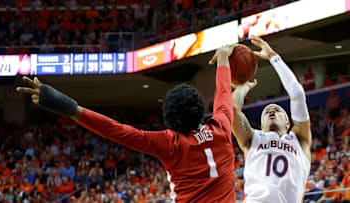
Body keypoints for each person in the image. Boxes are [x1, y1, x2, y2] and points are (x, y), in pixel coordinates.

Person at [16, 45, 237, 202]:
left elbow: (115, 130)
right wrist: (224, 59)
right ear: (199, 108)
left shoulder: (170, 142)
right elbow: (224, 95)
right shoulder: (221, 127)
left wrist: (69, 108)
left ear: (170, 116)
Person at [231, 36, 311, 203]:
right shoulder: (252, 138)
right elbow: (231, 110)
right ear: (261, 125)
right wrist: (242, 88)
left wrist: (274, 57)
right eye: (267, 111)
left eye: (277, 110)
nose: (271, 112)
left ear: (289, 123)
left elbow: (297, 94)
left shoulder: (300, 140)